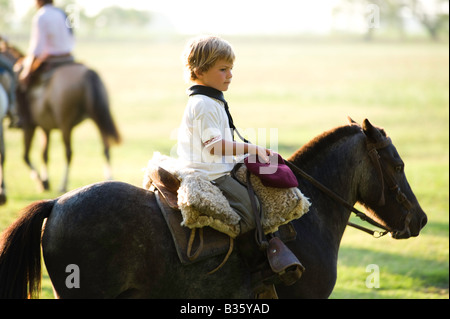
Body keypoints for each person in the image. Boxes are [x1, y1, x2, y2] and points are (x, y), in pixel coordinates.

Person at [177, 35, 303, 297]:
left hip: (221, 166)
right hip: (210, 174)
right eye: (223, 69)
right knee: (251, 210)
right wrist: (253, 149)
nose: (230, 75)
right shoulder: (202, 104)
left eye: (231, 68)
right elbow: (214, 146)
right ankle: (252, 274)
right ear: (199, 71)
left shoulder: (212, 99)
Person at [18, 0, 75, 88]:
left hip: (52, 59)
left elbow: (37, 48)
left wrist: (27, 72)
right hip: (69, 58)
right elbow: (71, 37)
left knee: (24, 82)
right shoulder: (63, 14)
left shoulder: (41, 16)